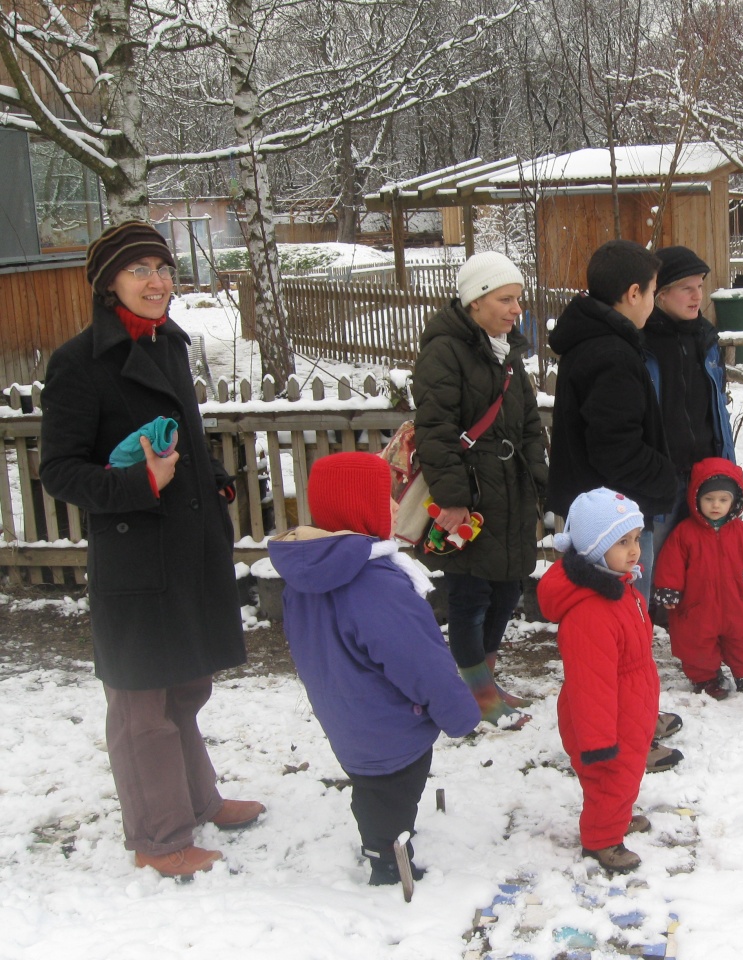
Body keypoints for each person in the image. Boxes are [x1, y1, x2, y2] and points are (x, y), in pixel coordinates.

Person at [38, 220, 261, 878]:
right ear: (110, 283)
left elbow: (172, 443)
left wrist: (209, 478)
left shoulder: (170, 345)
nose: (157, 282)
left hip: (187, 550)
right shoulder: (78, 363)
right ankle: (159, 838)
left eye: (162, 269)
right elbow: (60, 471)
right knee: (141, 705)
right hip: (136, 557)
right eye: (140, 271)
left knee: (185, 688)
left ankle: (199, 799)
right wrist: (139, 483)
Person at [268, 453, 480, 888]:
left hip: (347, 717)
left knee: (374, 788)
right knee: (392, 796)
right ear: (358, 510)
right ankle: (387, 860)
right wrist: (460, 713)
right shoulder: (376, 584)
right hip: (393, 725)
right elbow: (421, 662)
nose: (397, 505)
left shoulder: (307, 575)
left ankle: (382, 836)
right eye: (386, 496)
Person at [411, 251, 548, 728]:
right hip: (470, 500)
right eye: (506, 299)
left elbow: (529, 424)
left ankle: (484, 679)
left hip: (510, 495)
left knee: (508, 588)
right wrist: (453, 498)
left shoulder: (506, 352)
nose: (516, 310)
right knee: (471, 596)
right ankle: (475, 692)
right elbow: (436, 429)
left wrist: (540, 478)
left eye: (519, 300)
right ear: (475, 301)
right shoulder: (443, 352)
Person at [546, 239, 679, 602]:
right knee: (622, 626)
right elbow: (616, 450)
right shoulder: (611, 354)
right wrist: (667, 478)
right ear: (634, 293)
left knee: (602, 625)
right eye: (653, 291)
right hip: (616, 526)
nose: (653, 301)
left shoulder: (593, 340)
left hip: (599, 519)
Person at [537, 488, 662, 874]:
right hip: (603, 717)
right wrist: (597, 741)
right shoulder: (590, 612)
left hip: (629, 705)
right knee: (610, 778)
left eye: (636, 539)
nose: (634, 550)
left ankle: (617, 815)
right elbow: (590, 684)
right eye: (622, 542)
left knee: (627, 773)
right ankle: (602, 840)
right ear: (594, 548)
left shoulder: (620, 588)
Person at [642, 245, 736, 573]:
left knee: (703, 568)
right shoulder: (642, 344)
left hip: (705, 475)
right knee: (654, 567)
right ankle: (652, 624)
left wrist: (727, 467)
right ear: (661, 294)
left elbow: (717, 412)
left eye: (700, 287)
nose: (697, 297)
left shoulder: (706, 339)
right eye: (686, 289)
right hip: (661, 479)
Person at [652, 457, 743, 698]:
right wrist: (669, 589)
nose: (715, 505)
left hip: (737, 604)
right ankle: (706, 679)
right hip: (697, 605)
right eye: (709, 499)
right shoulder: (684, 534)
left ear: (735, 501)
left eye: (723, 500)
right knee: (695, 643)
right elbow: (671, 564)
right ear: (696, 498)